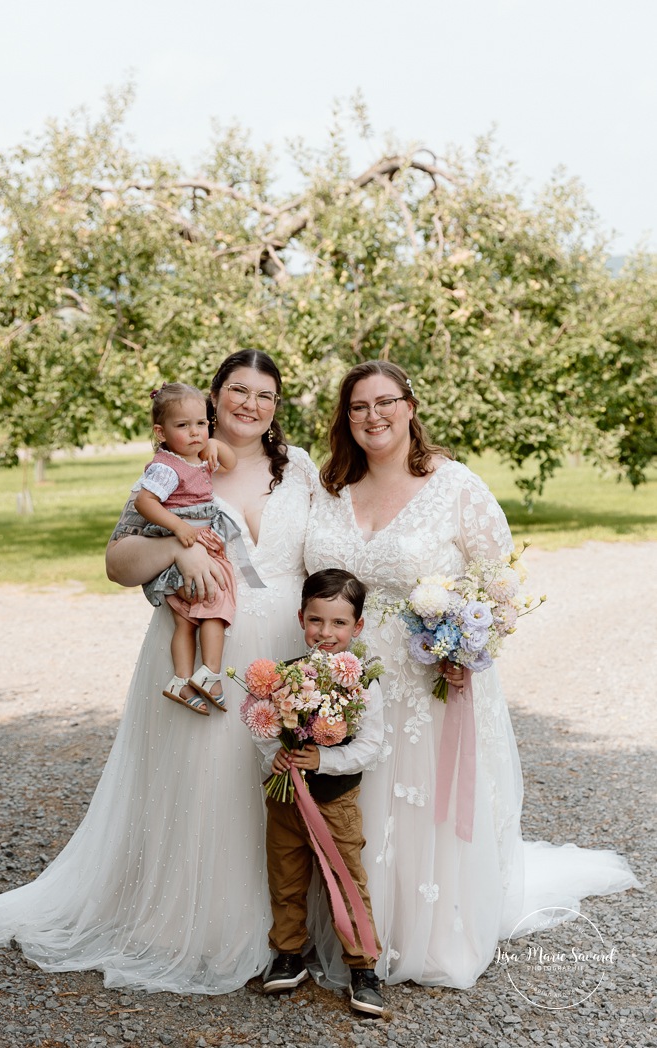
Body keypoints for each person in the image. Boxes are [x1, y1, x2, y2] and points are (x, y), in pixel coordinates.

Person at [0, 350, 318, 995]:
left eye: (265, 395)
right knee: (204, 785)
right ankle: (198, 926)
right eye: (237, 390)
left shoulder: (298, 468)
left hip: (280, 648)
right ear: (212, 398)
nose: (250, 404)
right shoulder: (181, 466)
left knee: (272, 785)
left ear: (277, 407)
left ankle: (291, 931)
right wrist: (176, 549)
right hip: (198, 639)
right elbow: (116, 560)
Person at [303, 359, 640, 989]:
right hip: (344, 678)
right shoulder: (331, 488)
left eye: (385, 402)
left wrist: (464, 645)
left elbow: (501, 585)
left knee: (417, 801)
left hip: (427, 680)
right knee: (358, 801)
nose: (372, 417)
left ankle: (425, 933)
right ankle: (354, 933)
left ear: (409, 405)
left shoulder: (455, 486)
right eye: (357, 407)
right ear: (344, 419)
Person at [256, 569, 385, 1016]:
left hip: (334, 803)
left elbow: (370, 746)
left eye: (338, 623)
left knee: (347, 882)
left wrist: (324, 761)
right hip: (285, 800)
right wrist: (271, 756)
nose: (325, 633)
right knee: (286, 878)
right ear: (301, 618)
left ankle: (363, 966)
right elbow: (265, 728)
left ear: (358, 627)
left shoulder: (364, 683)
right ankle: (288, 952)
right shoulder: (283, 674)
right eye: (316, 620)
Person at [132, 381, 238, 715]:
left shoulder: (196, 456)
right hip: (187, 545)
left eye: (202, 424)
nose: (195, 433)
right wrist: (178, 527)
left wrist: (216, 446)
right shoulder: (167, 467)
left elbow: (231, 463)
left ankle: (180, 679)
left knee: (185, 622)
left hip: (197, 546)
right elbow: (144, 503)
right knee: (215, 607)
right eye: (183, 426)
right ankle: (209, 673)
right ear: (161, 432)